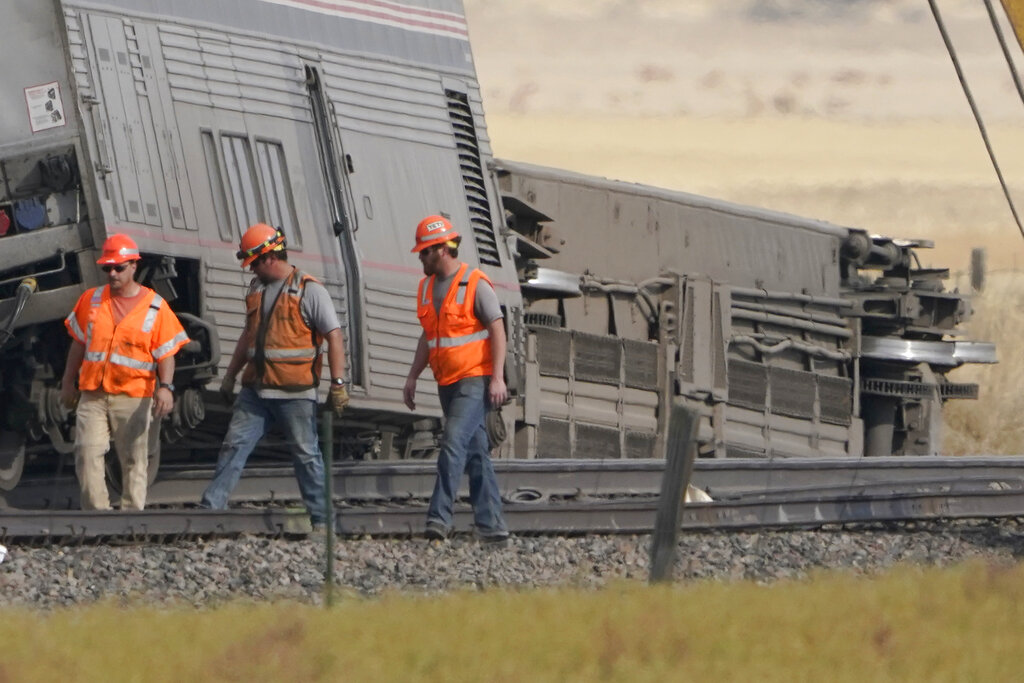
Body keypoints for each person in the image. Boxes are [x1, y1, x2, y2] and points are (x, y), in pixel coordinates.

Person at [201, 223, 348, 531]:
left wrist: (338, 384)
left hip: (294, 392)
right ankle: (210, 509)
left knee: (306, 456)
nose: (251, 269)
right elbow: (248, 335)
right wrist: (230, 375)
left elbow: (334, 335)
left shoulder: (309, 290)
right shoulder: (256, 289)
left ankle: (323, 522)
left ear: (269, 256)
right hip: (256, 390)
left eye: (254, 262)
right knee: (233, 445)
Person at [60, 234, 189, 510]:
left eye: (119, 267)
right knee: (86, 452)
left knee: (134, 459)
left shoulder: (156, 307)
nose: (113, 273)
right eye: (108, 268)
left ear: (133, 266)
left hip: (133, 397)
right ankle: (97, 517)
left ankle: (131, 518)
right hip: (93, 394)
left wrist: (166, 388)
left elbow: (166, 354)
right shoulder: (91, 300)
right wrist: (67, 382)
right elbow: (78, 344)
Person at [403, 214, 510, 543]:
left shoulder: (475, 283)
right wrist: (412, 377)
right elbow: (428, 337)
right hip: (446, 383)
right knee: (476, 453)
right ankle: (492, 527)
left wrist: (497, 378)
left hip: (474, 380)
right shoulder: (426, 288)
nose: (420, 258)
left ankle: (439, 518)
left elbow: (497, 329)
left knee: (451, 442)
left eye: (424, 252)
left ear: (440, 250)